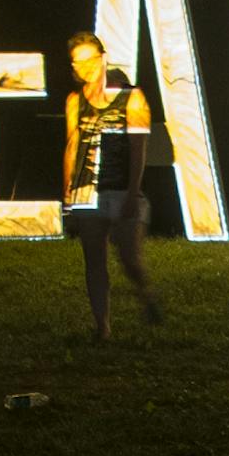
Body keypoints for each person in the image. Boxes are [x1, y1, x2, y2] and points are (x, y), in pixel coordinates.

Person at [61, 31, 159, 340]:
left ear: (103, 58)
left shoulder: (132, 99)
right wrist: (67, 197)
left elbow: (138, 150)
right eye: (77, 63)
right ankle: (102, 326)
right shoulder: (75, 101)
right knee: (94, 260)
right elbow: (71, 147)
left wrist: (132, 193)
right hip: (86, 192)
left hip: (120, 189)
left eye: (89, 59)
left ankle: (147, 296)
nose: (84, 68)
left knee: (129, 259)